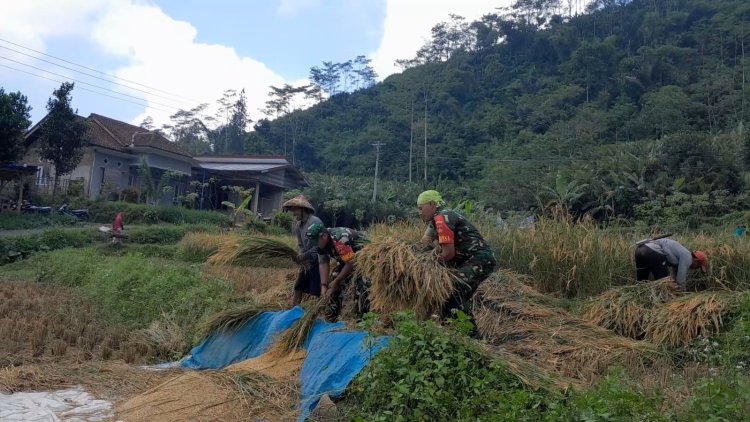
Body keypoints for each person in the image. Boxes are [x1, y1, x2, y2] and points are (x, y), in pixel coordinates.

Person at [418, 190, 497, 320]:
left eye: (421, 208)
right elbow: (424, 243)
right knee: (446, 300)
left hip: (479, 259)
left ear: (432, 204)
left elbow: (448, 254)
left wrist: (428, 263)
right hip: (470, 261)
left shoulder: (442, 218)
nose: (419, 212)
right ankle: (448, 333)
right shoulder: (437, 219)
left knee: (452, 291)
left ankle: (472, 335)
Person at [306, 222, 369, 321]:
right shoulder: (320, 244)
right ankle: (331, 317)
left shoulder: (339, 238)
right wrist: (324, 286)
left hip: (364, 258)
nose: (315, 245)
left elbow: (351, 263)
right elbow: (323, 262)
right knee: (331, 285)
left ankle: (364, 319)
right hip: (347, 259)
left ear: (324, 236)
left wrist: (336, 282)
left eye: (316, 241)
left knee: (361, 283)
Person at [282, 195, 323, 306]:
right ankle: (293, 312)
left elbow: (319, 246)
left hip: (318, 261)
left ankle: (313, 314)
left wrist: (304, 256)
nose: (293, 213)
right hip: (306, 262)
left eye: (295, 210)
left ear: (303, 209)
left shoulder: (314, 223)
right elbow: (301, 245)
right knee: (298, 287)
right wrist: (299, 256)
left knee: (315, 291)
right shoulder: (298, 226)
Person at [634, 237, 708, 289]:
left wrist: (675, 287)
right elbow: (680, 280)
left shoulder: (680, 255)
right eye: (698, 266)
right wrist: (683, 297)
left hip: (640, 250)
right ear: (696, 260)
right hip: (653, 251)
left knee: (641, 283)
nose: (695, 268)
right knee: (664, 285)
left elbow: (675, 278)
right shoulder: (687, 257)